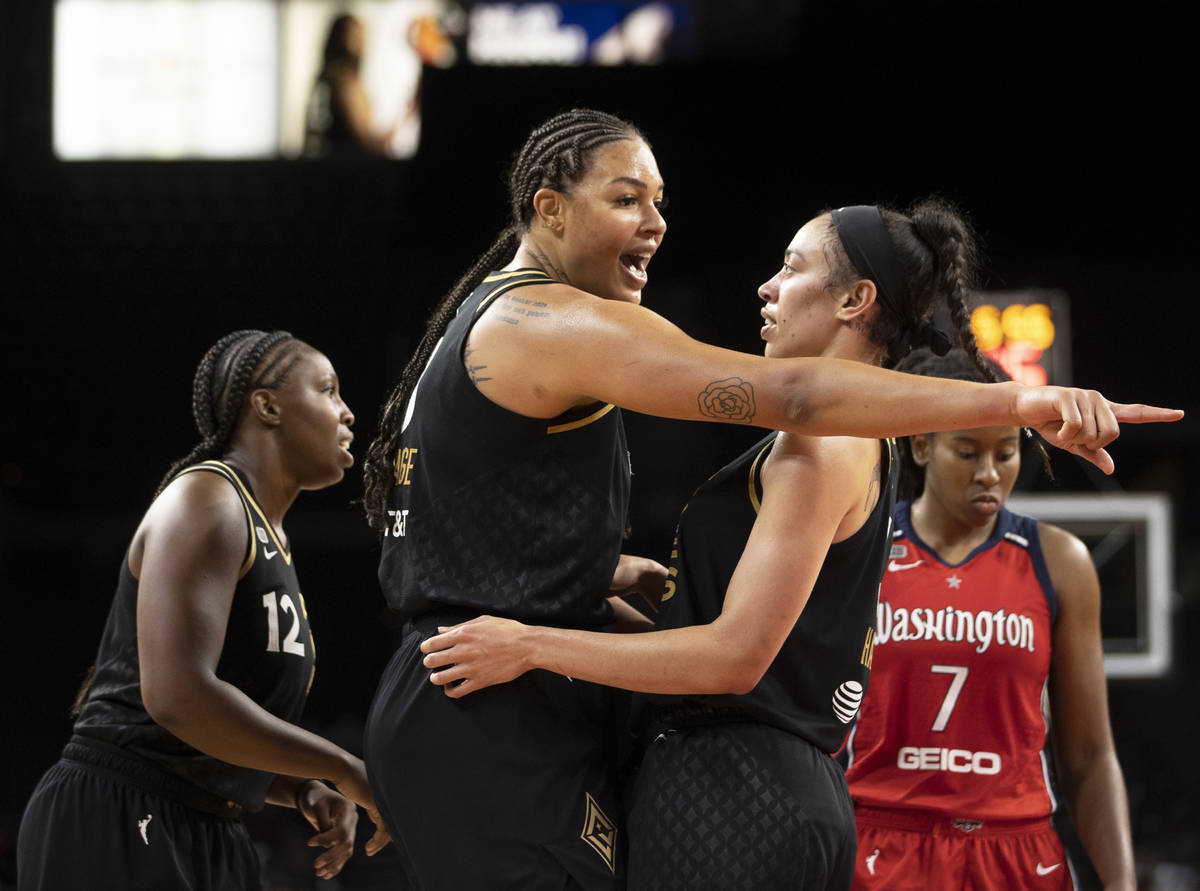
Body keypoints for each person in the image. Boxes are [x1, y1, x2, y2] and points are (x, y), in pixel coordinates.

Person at [359, 107, 1177, 889]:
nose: (657, 221)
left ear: (855, 300)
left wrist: (568, 589)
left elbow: (737, 633)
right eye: (625, 198)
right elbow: (793, 396)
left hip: (708, 764)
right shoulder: (549, 322)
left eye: (658, 201)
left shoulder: (817, 440)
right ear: (549, 209)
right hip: (489, 695)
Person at [17, 330, 389, 891]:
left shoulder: (270, 537)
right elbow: (177, 699)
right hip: (124, 810)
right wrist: (339, 765)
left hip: (207, 822)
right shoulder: (208, 498)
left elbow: (204, 737)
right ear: (266, 406)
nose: (348, 412)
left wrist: (298, 787)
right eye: (328, 390)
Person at [841, 348, 1136, 891]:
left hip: (1018, 848)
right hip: (879, 838)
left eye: (1005, 452)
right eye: (967, 451)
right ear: (922, 445)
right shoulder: (865, 552)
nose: (989, 474)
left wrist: (1122, 884)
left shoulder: (1059, 562)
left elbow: (1091, 757)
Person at [303, 14, 404, 158]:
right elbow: (367, 141)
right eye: (354, 35)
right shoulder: (342, 82)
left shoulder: (343, 80)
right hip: (346, 170)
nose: (361, 41)